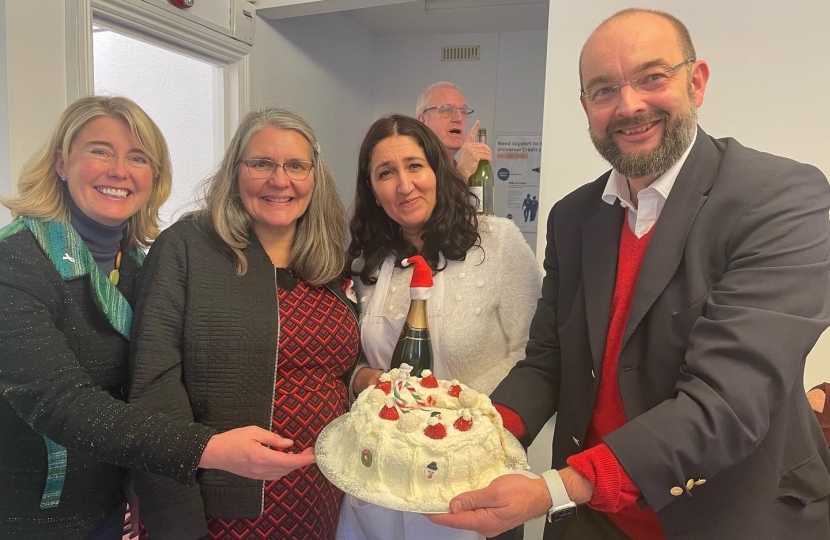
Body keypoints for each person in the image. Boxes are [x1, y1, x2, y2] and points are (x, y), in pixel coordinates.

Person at [429, 8, 830, 540]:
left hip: (729, 516)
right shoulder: (573, 216)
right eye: (603, 90)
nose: (630, 105)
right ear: (585, 107)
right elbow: (549, 360)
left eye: (652, 78)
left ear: (697, 81)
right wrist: (476, 436)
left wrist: (554, 488)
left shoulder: (782, 198)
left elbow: (728, 400)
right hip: (594, 518)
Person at [0, 96, 334, 540]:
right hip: (34, 512)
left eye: (138, 157)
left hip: (112, 503)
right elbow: (60, 401)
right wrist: (208, 449)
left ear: (153, 176)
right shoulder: (17, 261)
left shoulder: (135, 263)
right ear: (61, 162)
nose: (119, 170)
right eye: (100, 150)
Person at [128, 107, 361, 540]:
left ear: (315, 176)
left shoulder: (328, 260)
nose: (280, 180)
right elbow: (153, 387)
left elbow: (338, 366)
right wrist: (176, 520)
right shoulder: (188, 249)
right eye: (261, 164)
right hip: (224, 507)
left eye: (296, 165)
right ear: (235, 172)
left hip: (323, 496)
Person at [336, 114, 541, 540]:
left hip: (473, 477)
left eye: (414, 166)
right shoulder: (363, 261)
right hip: (384, 477)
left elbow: (534, 350)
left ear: (437, 170)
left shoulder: (497, 242)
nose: (404, 185)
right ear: (372, 190)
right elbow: (346, 352)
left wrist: (480, 427)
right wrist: (360, 377)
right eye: (385, 173)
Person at [416, 81, 492, 179]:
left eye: (463, 111)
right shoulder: (413, 167)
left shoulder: (463, 169)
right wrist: (463, 172)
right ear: (423, 120)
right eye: (447, 110)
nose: (459, 118)